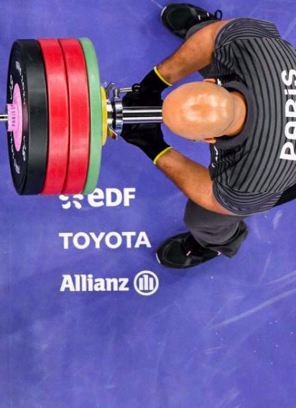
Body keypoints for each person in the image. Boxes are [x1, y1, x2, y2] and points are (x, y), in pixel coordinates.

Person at [120, 3, 296, 269]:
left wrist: (155, 149)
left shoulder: (249, 183)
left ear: (207, 140)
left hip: (280, 169)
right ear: (211, 83)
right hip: (266, 72)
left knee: (203, 220)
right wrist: (155, 81)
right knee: (205, 37)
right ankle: (196, 25)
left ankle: (217, 244)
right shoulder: (253, 48)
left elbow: (214, 197)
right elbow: (214, 36)